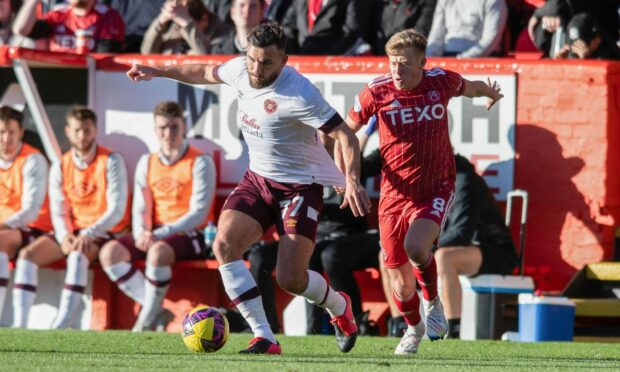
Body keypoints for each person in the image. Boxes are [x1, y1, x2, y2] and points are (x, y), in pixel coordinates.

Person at [126, 22, 370, 354]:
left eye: (266, 62)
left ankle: (340, 307)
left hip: (300, 188)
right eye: (253, 59)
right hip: (258, 180)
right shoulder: (240, 69)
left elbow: (346, 135)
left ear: (283, 60)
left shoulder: (299, 92)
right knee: (225, 245)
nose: (257, 69)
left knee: (291, 278)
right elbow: (200, 70)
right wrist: (157, 69)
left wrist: (352, 180)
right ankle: (264, 336)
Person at [345, 29, 503, 355]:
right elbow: (346, 132)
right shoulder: (376, 91)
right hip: (393, 194)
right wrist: (349, 178)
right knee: (400, 282)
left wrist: (491, 94)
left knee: (417, 247)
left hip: (436, 187)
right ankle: (414, 329)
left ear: (422, 63)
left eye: (404, 64)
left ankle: (433, 304)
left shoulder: (441, 81)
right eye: (392, 64)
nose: (397, 72)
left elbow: (471, 87)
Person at [99, 101, 217, 332]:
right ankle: (154, 309)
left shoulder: (201, 161)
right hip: (155, 232)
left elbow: (199, 213)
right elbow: (142, 206)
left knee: (157, 252)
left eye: (174, 127)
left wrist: (158, 234)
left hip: (194, 233)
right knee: (109, 253)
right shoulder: (148, 161)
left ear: (184, 128)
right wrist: (142, 232)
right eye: (163, 127)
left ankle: (143, 323)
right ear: (155, 129)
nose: (168, 133)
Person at [11, 106, 130, 329]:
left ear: (95, 130)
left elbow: (117, 209)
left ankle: (63, 322)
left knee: (77, 256)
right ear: (67, 131)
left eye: (86, 130)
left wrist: (88, 233)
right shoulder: (61, 164)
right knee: (27, 256)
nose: (82, 136)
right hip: (72, 233)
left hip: (103, 232)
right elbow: (58, 208)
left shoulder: (111, 160)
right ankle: (20, 326)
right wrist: (64, 235)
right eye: (77, 130)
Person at [246, 147, 382, 335]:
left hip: (344, 234)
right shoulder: (298, 159)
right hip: (308, 232)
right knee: (259, 257)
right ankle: (267, 331)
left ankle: (329, 327)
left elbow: (372, 161)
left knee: (316, 252)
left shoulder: (348, 157)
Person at [436, 154, 518, 339]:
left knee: (444, 258)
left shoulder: (465, 181)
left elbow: (461, 234)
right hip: (469, 249)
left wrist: (425, 246)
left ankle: (453, 331)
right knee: (391, 255)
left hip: (496, 251)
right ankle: (401, 325)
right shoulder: (435, 182)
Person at [0, 106, 52, 322]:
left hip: (36, 228)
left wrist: (3, 225)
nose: (5, 138)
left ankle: (13, 321)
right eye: (1, 132)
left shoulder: (33, 159)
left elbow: (31, 209)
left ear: (21, 131)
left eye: (10, 132)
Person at [12, 0, 125, 53]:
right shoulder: (58, 15)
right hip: (57, 77)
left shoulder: (108, 17)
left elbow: (105, 61)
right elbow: (21, 30)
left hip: (91, 83)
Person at [281, 0, 370, 55]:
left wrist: (327, 57)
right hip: (302, 64)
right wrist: (296, 55)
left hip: (332, 64)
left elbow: (352, 30)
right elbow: (288, 26)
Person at [141, 0, 230, 55]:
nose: (182, 29)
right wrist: (160, 22)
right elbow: (147, 53)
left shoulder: (223, 33)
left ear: (204, 18)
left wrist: (187, 24)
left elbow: (207, 58)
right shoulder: (175, 27)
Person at [426, 0, 508, 58]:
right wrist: (430, 59)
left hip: (480, 62)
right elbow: (436, 36)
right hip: (446, 57)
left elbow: (491, 40)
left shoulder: (495, 2)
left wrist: (460, 60)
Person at [368, 0, 437, 55]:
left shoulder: (424, 2)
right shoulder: (378, 3)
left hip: (406, 57)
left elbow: (419, 33)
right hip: (376, 57)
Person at [553, 13, 620, 60]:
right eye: (573, 44)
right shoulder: (571, 53)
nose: (577, 48)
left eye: (583, 43)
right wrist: (561, 64)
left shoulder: (610, 53)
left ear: (597, 39)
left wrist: (587, 59)